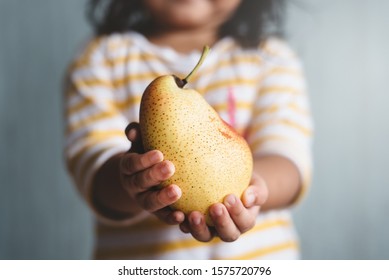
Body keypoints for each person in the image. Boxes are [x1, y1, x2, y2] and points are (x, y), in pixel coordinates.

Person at [64, 0, 313, 259]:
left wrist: (250, 193)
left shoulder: (270, 59)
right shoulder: (100, 60)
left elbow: (289, 159)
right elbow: (91, 167)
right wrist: (132, 181)